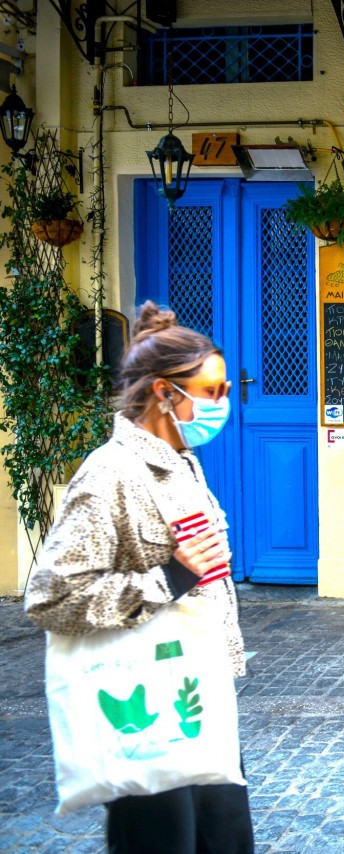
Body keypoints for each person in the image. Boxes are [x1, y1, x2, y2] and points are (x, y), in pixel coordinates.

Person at [24, 302, 253, 853]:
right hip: (142, 704)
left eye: (225, 389)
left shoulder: (181, 460)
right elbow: (52, 596)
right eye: (212, 390)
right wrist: (169, 576)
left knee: (226, 840)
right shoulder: (110, 474)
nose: (223, 401)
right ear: (162, 392)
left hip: (195, 694)